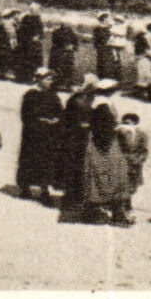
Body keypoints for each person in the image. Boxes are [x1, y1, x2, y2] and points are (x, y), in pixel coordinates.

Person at [82, 83, 133, 225]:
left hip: (103, 143)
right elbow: (104, 128)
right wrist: (118, 130)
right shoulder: (102, 106)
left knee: (103, 176)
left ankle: (104, 211)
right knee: (108, 176)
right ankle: (106, 212)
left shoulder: (99, 103)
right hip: (105, 145)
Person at [16, 69, 63, 202]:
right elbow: (26, 115)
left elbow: (60, 112)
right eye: (47, 79)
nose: (50, 82)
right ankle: (25, 187)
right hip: (33, 135)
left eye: (51, 79)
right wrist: (40, 122)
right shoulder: (30, 95)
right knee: (29, 160)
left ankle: (44, 189)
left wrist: (56, 120)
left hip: (48, 135)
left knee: (46, 161)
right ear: (39, 79)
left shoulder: (53, 95)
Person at [57, 74, 98, 221]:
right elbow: (70, 120)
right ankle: (71, 198)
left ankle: (75, 196)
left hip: (81, 138)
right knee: (74, 167)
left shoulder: (85, 99)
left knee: (79, 167)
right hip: (74, 138)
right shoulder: (77, 101)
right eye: (93, 87)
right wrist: (85, 125)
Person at [117, 111, 149, 223]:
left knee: (131, 187)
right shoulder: (118, 133)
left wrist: (139, 159)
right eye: (125, 123)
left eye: (129, 123)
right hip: (121, 163)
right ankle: (125, 209)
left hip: (135, 165)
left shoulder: (141, 134)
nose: (126, 126)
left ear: (135, 123)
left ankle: (125, 207)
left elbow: (144, 150)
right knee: (122, 187)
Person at [48, 22, 79, 86]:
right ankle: (58, 82)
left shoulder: (71, 33)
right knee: (58, 68)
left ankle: (67, 82)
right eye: (63, 23)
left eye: (66, 23)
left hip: (68, 54)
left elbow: (75, 43)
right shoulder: (57, 32)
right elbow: (54, 43)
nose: (64, 24)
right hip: (59, 53)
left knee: (68, 68)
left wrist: (72, 47)